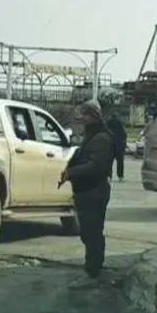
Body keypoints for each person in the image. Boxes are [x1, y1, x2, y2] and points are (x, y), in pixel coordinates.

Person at [58, 101, 115, 287]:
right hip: (85, 192)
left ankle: (92, 273)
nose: (83, 118)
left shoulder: (101, 138)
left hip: (94, 192)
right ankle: (93, 269)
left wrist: (72, 172)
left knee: (92, 233)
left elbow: (96, 166)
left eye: (86, 114)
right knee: (88, 233)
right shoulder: (91, 136)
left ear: (94, 115)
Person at [106, 112, 128, 181]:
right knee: (120, 161)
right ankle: (120, 176)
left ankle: (108, 176)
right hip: (119, 144)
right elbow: (124, 133)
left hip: (110, 144)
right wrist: (124, 143)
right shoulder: (120, 123)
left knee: (109, 161)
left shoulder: (107, 123)